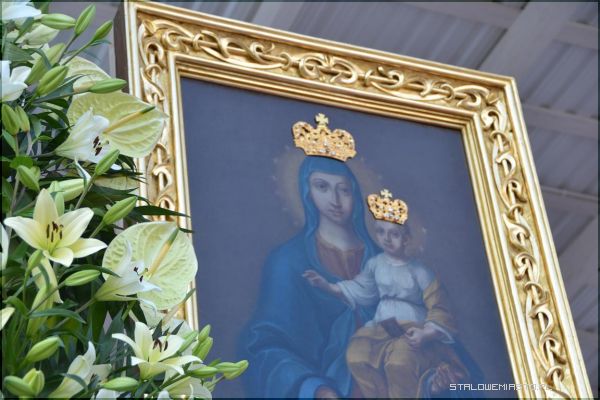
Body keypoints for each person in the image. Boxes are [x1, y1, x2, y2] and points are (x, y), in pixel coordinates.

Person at [304, 191, 481, 398]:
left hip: (412, 332)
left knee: (399, 364)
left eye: (394, 234)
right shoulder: (375, 264)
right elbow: (361, 290)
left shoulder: (420, 271)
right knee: (356, 356)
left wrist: (426, 334)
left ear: (406, 238)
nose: (387, 239)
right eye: (381, 232)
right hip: (381, 330)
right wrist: (327, 286)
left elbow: (439, 307)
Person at [239, 156, 378, 398]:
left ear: (355, 195)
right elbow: (266, 346)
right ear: (307, 192)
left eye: (344, 190)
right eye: (322, 187)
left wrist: (432, 376)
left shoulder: (383, 261)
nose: (335, 200)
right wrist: (315, 388)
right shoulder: (288, 261)